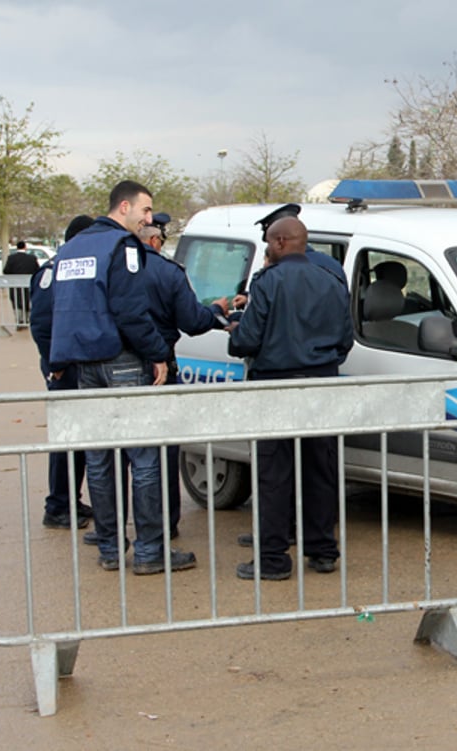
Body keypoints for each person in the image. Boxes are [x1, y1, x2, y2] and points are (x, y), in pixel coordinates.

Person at [35, 180, 196, 576]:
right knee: (144, 459)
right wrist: (158, 354)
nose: (147, 219)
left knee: (99, 460)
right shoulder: (121, 248)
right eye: (144, 211)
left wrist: (57, 359)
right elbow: (129, 311)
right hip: (122, 362)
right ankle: (149, 552)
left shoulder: (69, 250)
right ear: (123, 207)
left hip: (83, 367)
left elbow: (59, 310)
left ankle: (108, 548)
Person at [219, 214, 353, 580]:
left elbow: (247, 340)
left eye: (268, 244)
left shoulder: (268, 281)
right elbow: (345, 339)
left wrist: (235, 333)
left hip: (275, 386)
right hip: (322, 384)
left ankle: (274, 559)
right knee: (321, 469)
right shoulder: (331, 279)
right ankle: (323, 550)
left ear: (279, 243)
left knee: (274, 475)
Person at [135, 221, 228, 537]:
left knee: (120, 453)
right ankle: (163, 527)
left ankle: (116, 530)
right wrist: (216, 311)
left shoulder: (113, 269)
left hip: (118, 370)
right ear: (156, 242)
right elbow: (192, 321)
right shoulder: (166, 272)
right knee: (162, 454)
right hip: (160, 368)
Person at [31, 216, 95, 530]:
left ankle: (71, 499)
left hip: (76, 364)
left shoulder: (75, 268)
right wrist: (55, 366)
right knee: (67, 438)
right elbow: (42, 325)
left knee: (80, 440)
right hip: (64, 368)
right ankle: (57, 505)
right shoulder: (53, 271)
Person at [4, 240, 40, 327]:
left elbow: (6, 271)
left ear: (17, 247)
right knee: (28, 301)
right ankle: (27, 319)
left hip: (15, 284)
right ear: (25, 247)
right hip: (29, 284)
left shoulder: (11, 258)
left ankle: (19, 319)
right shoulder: (32, 258)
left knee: (16, 302)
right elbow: (37, 270)